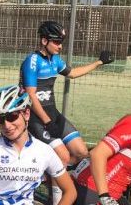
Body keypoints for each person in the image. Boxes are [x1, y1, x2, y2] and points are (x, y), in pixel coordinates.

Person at [21, 21, 114, 166]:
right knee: (63, 157)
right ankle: (50, 176)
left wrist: (99, 62)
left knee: (81, 153)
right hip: (36, 117)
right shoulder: (32, 61)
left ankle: (54, 174)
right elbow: (30, 96)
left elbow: (72, 73)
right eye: (57, 42)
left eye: (61, 42)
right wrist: (48, 122)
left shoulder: (55, 60)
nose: (60, 46)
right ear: (44, 41)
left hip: (52, 113)